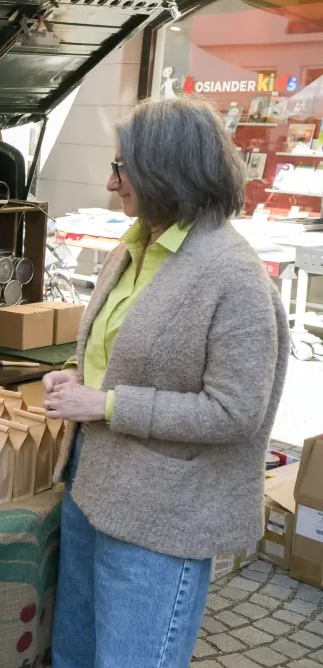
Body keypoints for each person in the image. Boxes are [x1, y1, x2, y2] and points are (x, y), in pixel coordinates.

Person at [44, 97, 289, 668]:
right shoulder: (136, 246)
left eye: (121, 169)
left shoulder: (236, 278)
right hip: (92, 487)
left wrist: (103, 403)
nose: (110, 183)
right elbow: (121, 357)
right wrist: (80, 375)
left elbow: (234, 413)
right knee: (73, 656)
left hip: (162, 514)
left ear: (166, 169)